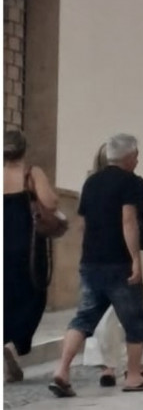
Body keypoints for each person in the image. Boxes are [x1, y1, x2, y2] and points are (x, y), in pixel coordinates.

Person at [49, 134, 143, 397]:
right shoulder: (130, 182)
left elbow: (83, 224)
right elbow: (128, 221)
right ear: (128, 157)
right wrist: (135, 259)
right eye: (136, 155)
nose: (138, 159)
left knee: (84, 318)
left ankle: (62, 370)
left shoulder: (91, 182)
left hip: (91, 262)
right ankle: (134, 376)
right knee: (135, 322)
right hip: (119, 262)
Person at [82, 143, 143, 386]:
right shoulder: (133, 183)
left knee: (100, 314)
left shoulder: (91, 184)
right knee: (130, 315)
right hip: (130, 255)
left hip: (96, 257)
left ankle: (109, 367)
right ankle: (132, 369)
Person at [4, 130, 61, 382]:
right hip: (27, 247)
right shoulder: (31, 173)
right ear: (24, 150)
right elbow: (49, 202)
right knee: (34, 296)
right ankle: (13, 347)